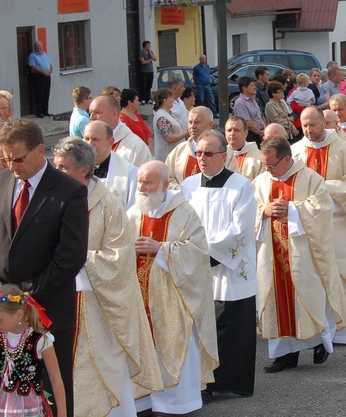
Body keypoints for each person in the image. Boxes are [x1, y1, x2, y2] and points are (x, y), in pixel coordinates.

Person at [51, 137, 161, 417]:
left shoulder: (107, 205)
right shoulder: (51, 198)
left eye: (63, 167)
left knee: (100, 368)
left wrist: (75, 258)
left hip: (96, 304)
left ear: (83, 170)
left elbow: (120, 257)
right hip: (57, 296)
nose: (57, 171)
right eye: (56, 165)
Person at [0, 119, 88, 416]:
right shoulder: (1, 182)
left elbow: (70, 256)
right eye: (6, 158)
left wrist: (28, 301)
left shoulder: (69, 191)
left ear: (40, 150)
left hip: (47, 311)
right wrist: (6, 298)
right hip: (3, 308)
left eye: (19, 158)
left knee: (52, 389)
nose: (12, 166)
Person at [253, 136, 346, 371]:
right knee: (277, 299)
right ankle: (283, 356)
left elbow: (321, 209)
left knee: (309, 298)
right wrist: (263, 211)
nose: (267, 170)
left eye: (271, 165)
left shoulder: (311, 179)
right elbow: (249, 210)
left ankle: (320, 342)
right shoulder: (259, 182)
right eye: (264, 165)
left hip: (304, 255)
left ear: (287, 159)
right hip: (271, 253)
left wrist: (292, 208)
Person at [128, 161, 219, 414]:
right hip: (141, 298)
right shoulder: (134, 212)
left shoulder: (184, 212)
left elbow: (199, 252)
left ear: (165, 185)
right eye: (140, 181)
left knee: (175, 349)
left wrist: (161, 249)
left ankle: (177, 404)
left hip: (174, 302)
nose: (142, 188)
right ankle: (144, 400)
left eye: (148, 182)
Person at [181, 131, 257, 397]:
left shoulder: (241, 186)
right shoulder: (188, 186)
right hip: (196, 266)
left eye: (208, 153)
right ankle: (201, 381)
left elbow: (241, 229)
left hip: (228, 268)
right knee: (199, 323)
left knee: (227, 325)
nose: (201, 158)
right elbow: (181, 225)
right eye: (198, 153)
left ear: (224, 156)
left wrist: (209, 256)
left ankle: (224, 382)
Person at [291, 108, 346, 344]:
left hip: (339, 221)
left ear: (325, 123)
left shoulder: (344, 149)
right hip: (308, 225)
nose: (309, 130)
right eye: (305, 125)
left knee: (344, 271)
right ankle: (320, 327)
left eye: (314, 125)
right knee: (314, 275)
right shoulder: (296, 151)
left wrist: (319, 189)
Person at [0, 284, 66, 417]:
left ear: (19, 314)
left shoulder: (40, 339)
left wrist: (62, 413)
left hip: (31, 409)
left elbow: (55, 378)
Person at [165, 106, 238, 187]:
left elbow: (233, 180)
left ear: (210, 124)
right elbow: (167, 177)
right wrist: (181, 190)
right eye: (190, 122)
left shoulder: (223, 152)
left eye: (197, 122)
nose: (192, 126)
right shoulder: (179, 151)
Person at [83, 120, 138, 210]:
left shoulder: (130, 173)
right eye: (86, 138)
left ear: (110, 142)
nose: (89, 144)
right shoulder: (76, 169)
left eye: (95, 139)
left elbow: (133, 210)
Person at [89, 95, 153, 167]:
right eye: (90, 113)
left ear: (114, 114)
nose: (91, 117)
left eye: (97, 112)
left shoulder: (136, 147)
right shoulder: (86, 143)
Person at [152, 88, 188, 162]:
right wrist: (185, 133)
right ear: (165, 101)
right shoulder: (161, 117)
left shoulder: (169, 113)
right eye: (171, 98)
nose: (173, 100)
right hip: (167, 158)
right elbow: (169, 138)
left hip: (175, 156)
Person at [225, 116, 263, 180]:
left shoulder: (259, 157)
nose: (232, 133)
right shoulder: (219, 155)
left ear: (245, 133)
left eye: (236, 130)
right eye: (229, 130)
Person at [234, 76, 267, 145]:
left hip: (260, 132)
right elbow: (247, 123)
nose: (255, 87)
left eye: (254, 85)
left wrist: (264, 130)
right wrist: (260, 133)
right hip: (250, 135)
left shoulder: (253, 99)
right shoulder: (240, 103)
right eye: (252, 85)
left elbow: (259, 116)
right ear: (244, 88)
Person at [28, 41, 53, 118]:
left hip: (47, 76)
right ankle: (39, 112)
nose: (39, 47)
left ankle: (45, 111)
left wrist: (50, 71)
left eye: (40, 46)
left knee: (46, 93)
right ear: (34, 47)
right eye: (37, 46)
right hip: (38, 76)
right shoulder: (32, 55)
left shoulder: (45, 54)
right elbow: (33, 66)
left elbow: (50, 64)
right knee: (39, 94)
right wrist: (43, 72)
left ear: (42, 47)